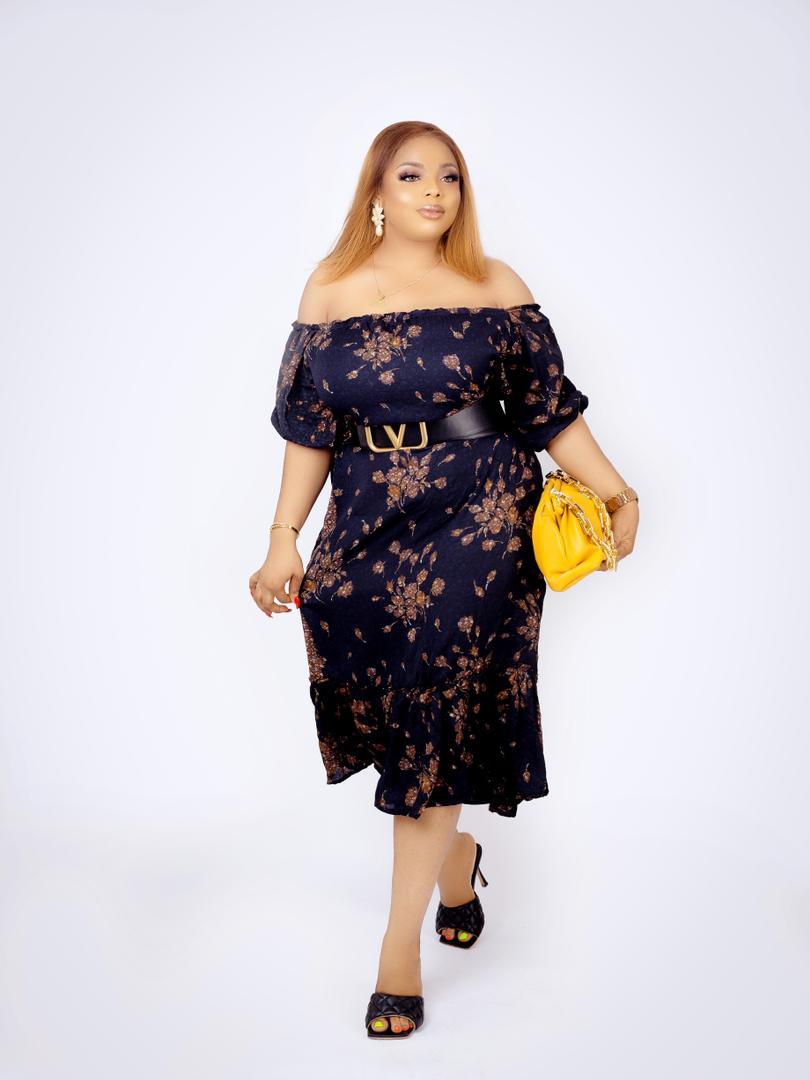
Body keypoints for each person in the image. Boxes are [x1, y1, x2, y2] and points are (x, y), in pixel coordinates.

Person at [249, 121, 639, 1039]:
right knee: (400, 714)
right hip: (368, 523)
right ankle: (454, 859)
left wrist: (619, 490)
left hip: (482, 517)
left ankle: (398, 953)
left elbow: (548, 412)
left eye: (451, 176)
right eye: (413, 175)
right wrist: (283, 538)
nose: (435, 191)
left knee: (438, 708)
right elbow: (309, 429)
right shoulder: (329, 288)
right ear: (376, 193)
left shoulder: (495, 284)